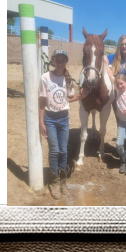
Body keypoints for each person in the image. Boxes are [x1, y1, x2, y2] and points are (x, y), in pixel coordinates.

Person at [39, 49, 89, 199]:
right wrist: (41, 122)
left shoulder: (68, 80)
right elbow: (42, 101)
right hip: (50, 119)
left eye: (63, 60)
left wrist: (81, 96)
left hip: (64, 118)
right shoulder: (45, 77)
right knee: (54, 150)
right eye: (57, 60)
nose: (60, 63)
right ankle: (53, 182)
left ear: (66, 62)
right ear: (53, 61)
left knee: (64, 151)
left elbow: (67, 99)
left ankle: (63, 181)